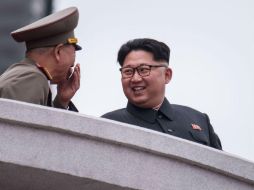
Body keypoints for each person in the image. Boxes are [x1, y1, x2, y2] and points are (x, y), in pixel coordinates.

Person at [102, 38, 222, 150]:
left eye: (143, 70)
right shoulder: (108, 124)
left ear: (167, 75)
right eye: (128, 71)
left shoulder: (198, 119)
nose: (135, 78)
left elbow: (221, 168)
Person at [0, 7, 82, 111]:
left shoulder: (24, 73)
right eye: (74, 53)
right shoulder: (32, 79)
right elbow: (18, 126)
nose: (72, 66)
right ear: (58, 52)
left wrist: (61, 102)